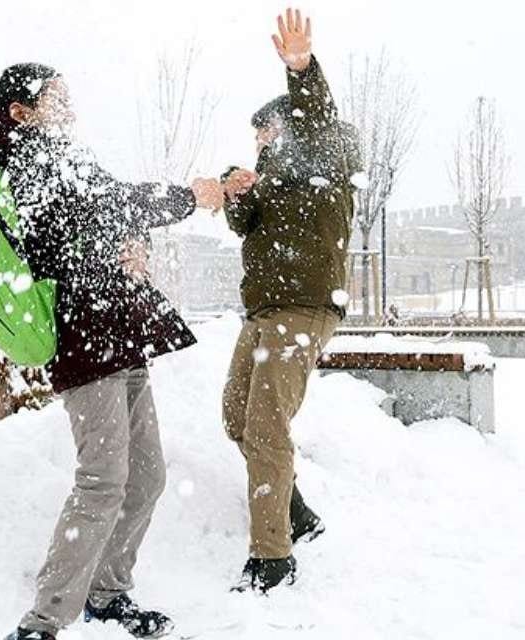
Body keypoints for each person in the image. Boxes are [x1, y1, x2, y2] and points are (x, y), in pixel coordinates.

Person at [0, 63, 226, 640]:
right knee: (103, 478)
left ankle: (108, 594)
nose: (70, 106)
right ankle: (43, 622)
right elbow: (108, 204)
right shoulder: (25, 159)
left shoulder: (61, 155)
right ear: (21, 111)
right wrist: (189, 198)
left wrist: (135, 244)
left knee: (146, 475)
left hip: (118, 332)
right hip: (83, 339)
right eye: (56, 97)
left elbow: (105, 218)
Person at [219, 8, 360, 594]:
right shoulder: (272, 180)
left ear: (291, 127)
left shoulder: (326, 156)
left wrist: (301, 69)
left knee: (266, 427)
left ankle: (273, 558)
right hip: (264, 311)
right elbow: (242, 225)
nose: (261, 143)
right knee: (237, 416)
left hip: (303, 308)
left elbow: (317, 117)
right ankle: (296, 511)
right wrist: (235, 190)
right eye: (256, 137)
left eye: (267, 133)